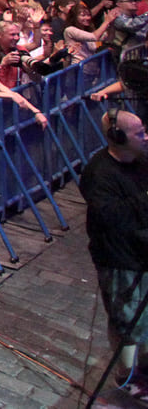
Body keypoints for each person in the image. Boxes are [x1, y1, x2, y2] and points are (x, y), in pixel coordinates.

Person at [80, 108, 148, 400]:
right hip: (120, 260)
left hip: (141, 255)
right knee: (127, 319)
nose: (146, 137)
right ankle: (130, 378)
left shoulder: (141, 162)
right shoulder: (100, 174)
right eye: (140, 133)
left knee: (143, 319)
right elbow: (115, 222)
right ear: (118, 138)